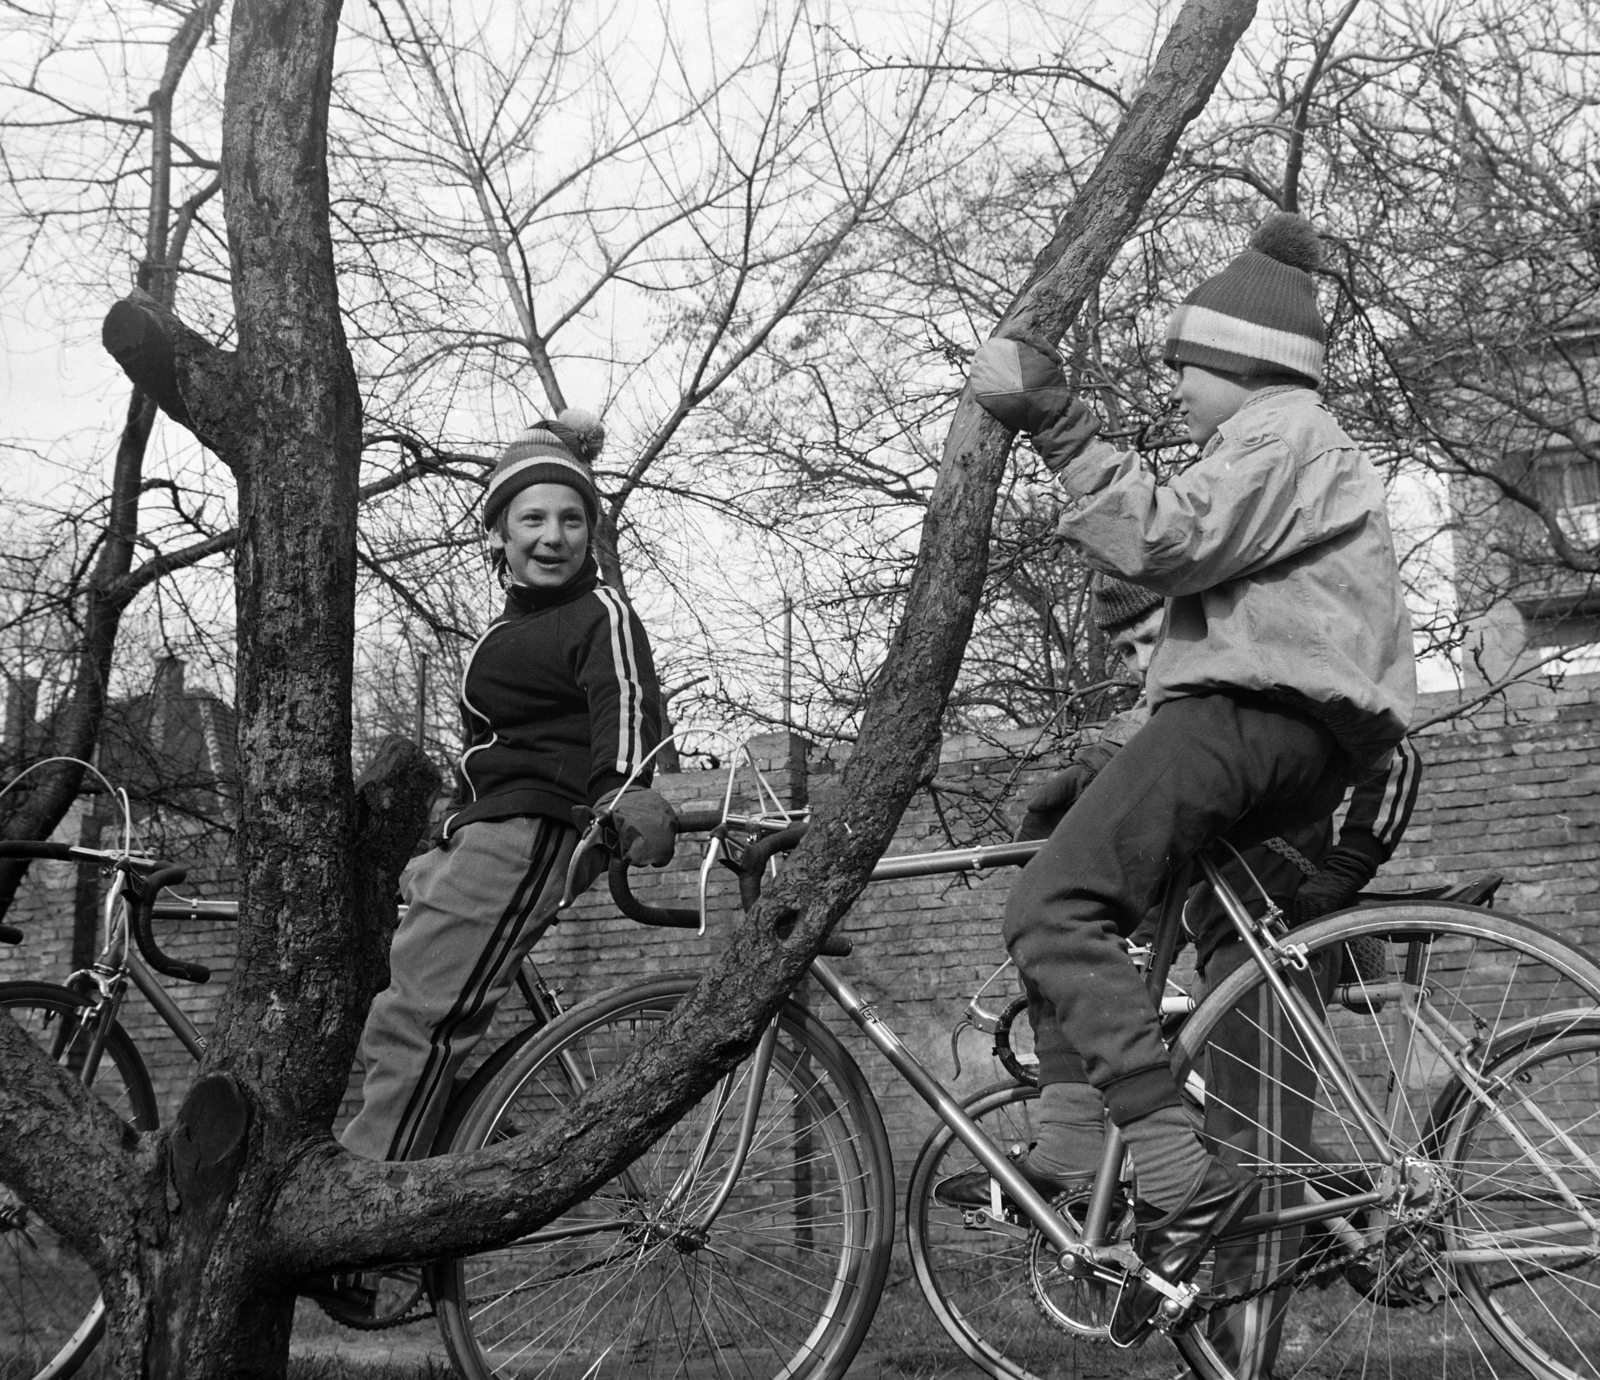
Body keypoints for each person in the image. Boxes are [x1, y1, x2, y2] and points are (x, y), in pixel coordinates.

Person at [965, 211, 1417, 1345]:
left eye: (1184, 369)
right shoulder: (1285, 444)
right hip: (1282, 734)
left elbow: (1168, 542)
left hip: (1254, 722)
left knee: (1051, 906)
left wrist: (1054, 421)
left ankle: (1174, 1172)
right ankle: (1074, 1148)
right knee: (1108, 911)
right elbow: (1228, 622)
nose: (1173, 392)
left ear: (1247, 365)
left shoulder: (1283, 433)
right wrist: (1101, 769)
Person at [939, 572, 1420, 1375]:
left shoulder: (1259, 684)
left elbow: (1393, 749)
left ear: (1192, 616)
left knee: (1249, 1165)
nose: (1136, 659)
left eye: (1147, 634)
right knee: (1233, 1138)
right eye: (1123, 649)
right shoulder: (1169, 715)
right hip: (1219, 946)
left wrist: (1346, 870)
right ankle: (1084, 1159)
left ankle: (1245, 1361)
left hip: (1277, 934)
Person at [337, 408, 676, 1157]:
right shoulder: (498, 634)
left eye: (570, 519)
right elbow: (485, 746)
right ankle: (428, 1164)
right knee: (396, 1007)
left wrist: (623, 789)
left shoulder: (601, 611)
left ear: (590, 532)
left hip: (536, 826)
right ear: (499, 533)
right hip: (479, 829)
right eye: (531, 518)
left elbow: (624, 699)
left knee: (423, 1017)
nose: (552, 536)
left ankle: (367, 1213)